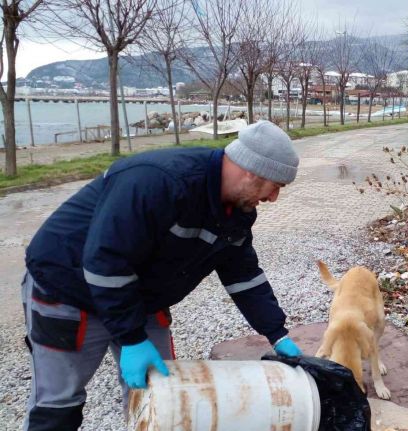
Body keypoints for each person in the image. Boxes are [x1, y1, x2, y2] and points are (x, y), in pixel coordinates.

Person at [21, 120, 303, 430]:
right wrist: (131, 338)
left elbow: (243, 275)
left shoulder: (237, 213)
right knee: (59, 404)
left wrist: (277, 333)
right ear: (252, 172)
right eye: (275, 186)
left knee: (164, 398)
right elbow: (106, 261)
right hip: (68, 286)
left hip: (140, 294)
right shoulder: (160, 181)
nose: (274, 197)